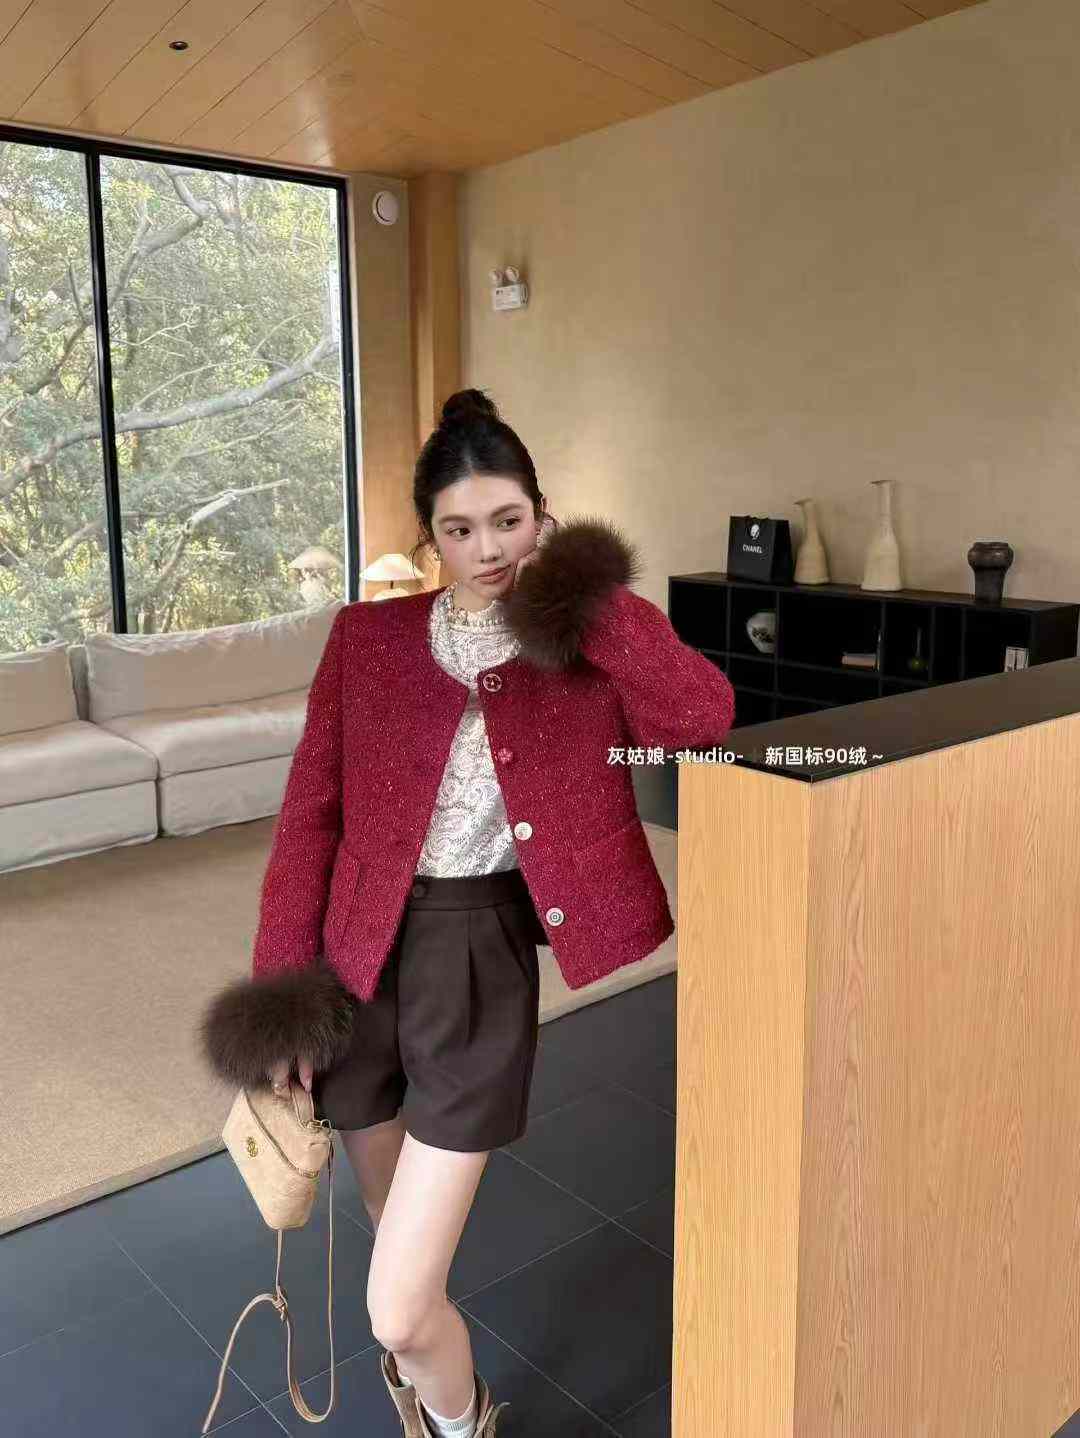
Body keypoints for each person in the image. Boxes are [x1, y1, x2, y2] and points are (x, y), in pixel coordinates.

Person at [200, 388, 736, 1436]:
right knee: (398, 1253)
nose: (486, 548)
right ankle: (434, 1398)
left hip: (478, 957)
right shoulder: (367, 639)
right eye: (457, 529)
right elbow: (310, 817)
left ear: (543, 514)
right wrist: (283, 995)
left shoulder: (586, 637)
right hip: (357, 967)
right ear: (429, 535)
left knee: (397, 1306)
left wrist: (592, 598)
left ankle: (464, 1419)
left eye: (508, 520)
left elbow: (699, 717)